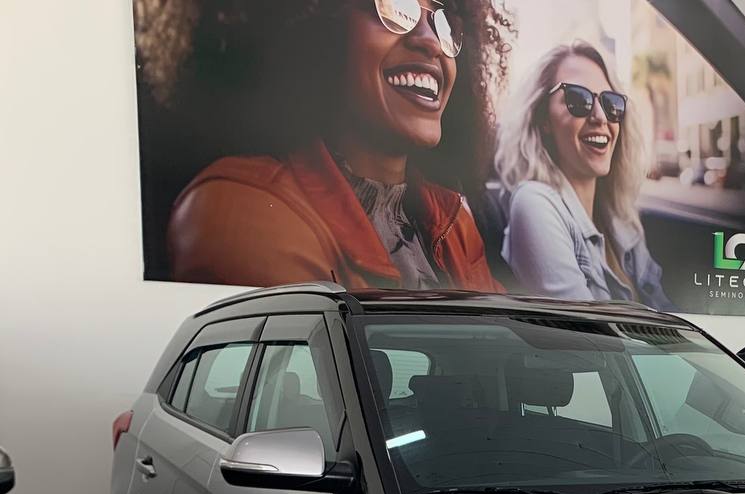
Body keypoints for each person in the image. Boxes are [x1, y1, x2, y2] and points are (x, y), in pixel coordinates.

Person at [137, 0, 513, 290]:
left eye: (443, 23)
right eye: (396, 8)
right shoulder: (241, 210)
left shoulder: (453, 222)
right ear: (317, 29)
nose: (431, 42)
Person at [495, 41, 671, 309]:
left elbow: (664, 308)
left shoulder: (620, 216)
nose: (601, 117)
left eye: (611, 103)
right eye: (578, 99)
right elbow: (589, 331)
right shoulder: (534, 203)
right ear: (543, 119)